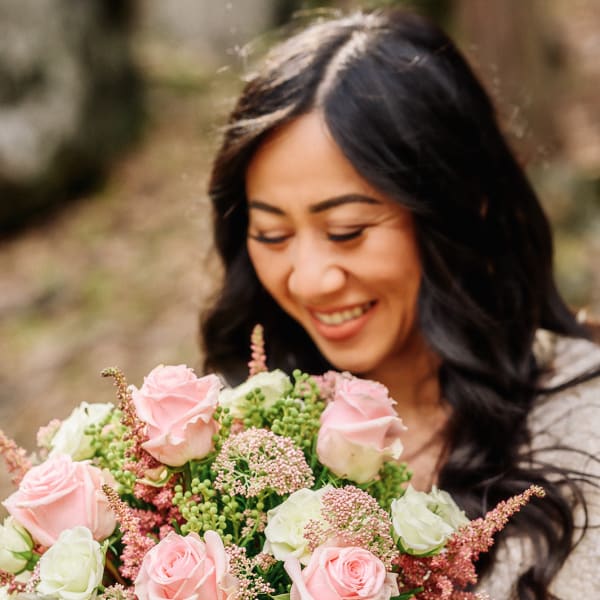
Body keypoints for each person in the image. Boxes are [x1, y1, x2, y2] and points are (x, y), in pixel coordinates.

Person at [200, 9, 600, 600]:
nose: (309, 280)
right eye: (272, 235)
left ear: (459, 208)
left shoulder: (583, 426)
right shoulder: (231, 439)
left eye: (347, 231)